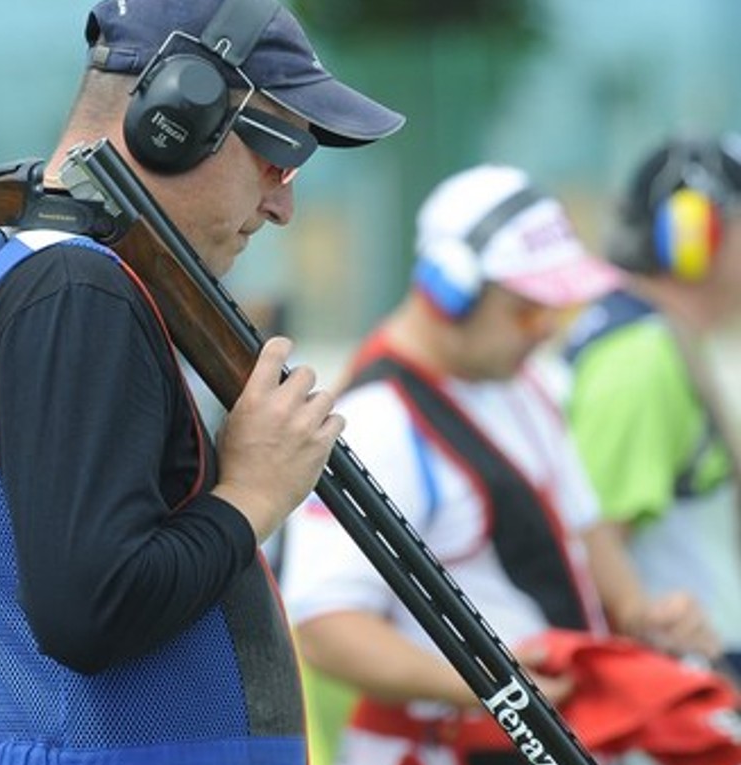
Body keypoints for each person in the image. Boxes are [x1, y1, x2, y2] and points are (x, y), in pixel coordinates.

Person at [0, 0, 404, 762]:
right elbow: (92, 608)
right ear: (175, 116)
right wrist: (256, 493)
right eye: (278, 153)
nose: (283, 203)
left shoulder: (30, 267)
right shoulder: (77, 290)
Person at [283, 164, 721, 765]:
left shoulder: (524, 385)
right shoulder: (378, 420)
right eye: (524, 309)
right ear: (448, 289)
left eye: (554, 310)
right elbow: (326, 630)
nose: (543, 329)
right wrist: (494, 685)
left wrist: (646, 618)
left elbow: (588, 532)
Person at [563, 134, 741, 679]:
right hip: (673, 704)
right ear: (695, 237)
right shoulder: (641, 360)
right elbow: (593, 555)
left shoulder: (664, 341)